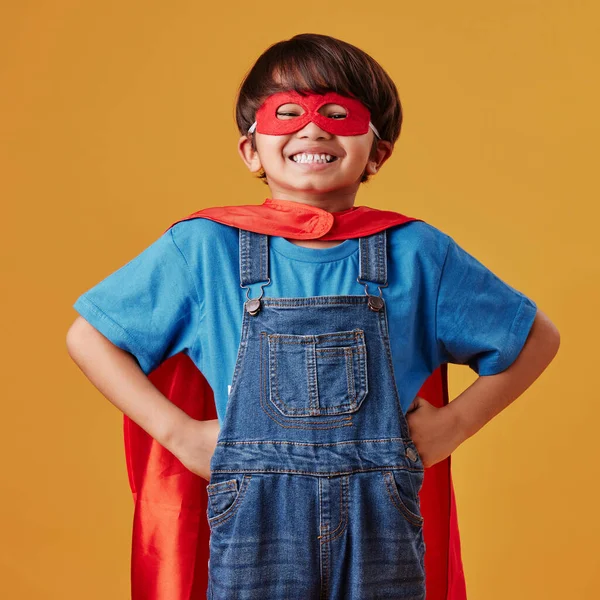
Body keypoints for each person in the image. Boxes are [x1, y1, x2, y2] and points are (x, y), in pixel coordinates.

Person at [66, 33, 560, 600]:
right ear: (251, 150)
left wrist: (457, 424)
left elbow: (535, 338)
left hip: (381, 514)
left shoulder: (418, 252)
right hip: (253, 515)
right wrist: (179, 434)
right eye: (287, 112)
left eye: (336, 112)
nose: (313, 128)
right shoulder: (205, 248)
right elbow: (90, 338)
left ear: (377, 152)